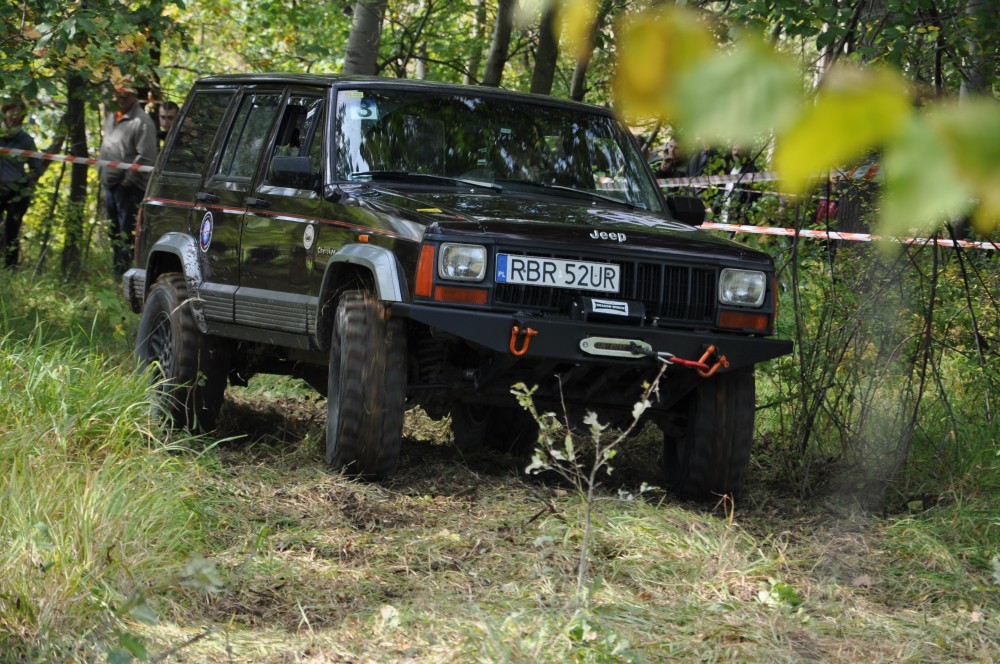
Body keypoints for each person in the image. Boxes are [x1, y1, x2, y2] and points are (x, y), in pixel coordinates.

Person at [99, 84, 157, 277]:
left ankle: (126, 277)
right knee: (114, 232)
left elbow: (147, 157)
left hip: (130, 189)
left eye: (125, 95)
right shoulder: (111, 116)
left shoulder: (142, 121)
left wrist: (126, 182)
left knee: (127, 235)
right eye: (117, 94)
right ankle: (116, 274)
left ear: (133, 95)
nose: (120, 98)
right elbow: (105, 147)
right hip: (110, 185)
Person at [0, 99, 43, 269]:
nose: (15, 117)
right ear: (5, 112)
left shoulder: (25, 139)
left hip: (16, 191)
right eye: (12, 112)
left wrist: (25, 184)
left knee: (12, 230)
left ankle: (11, 268)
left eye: (19, 114)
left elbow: (36, 167)